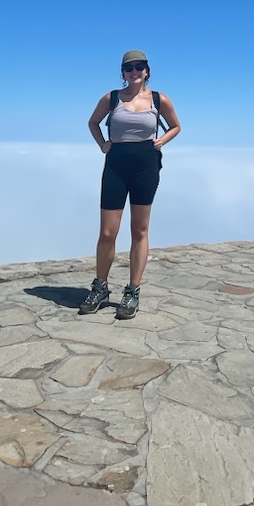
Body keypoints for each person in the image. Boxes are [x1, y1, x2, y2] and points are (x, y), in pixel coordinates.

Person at [81, 50, 180, 319]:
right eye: (129, 68)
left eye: (139, 67)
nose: (134, 71)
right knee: (108, 232)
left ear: (147, 70)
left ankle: (132, 291)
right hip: (116, 164)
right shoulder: (112, 98)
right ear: (123, 72)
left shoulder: (159, 99)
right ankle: (100, 288)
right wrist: (103, 144)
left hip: (146, 165)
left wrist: (162, 140)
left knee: (139, 230)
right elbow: (93, 122)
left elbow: (175, 126)